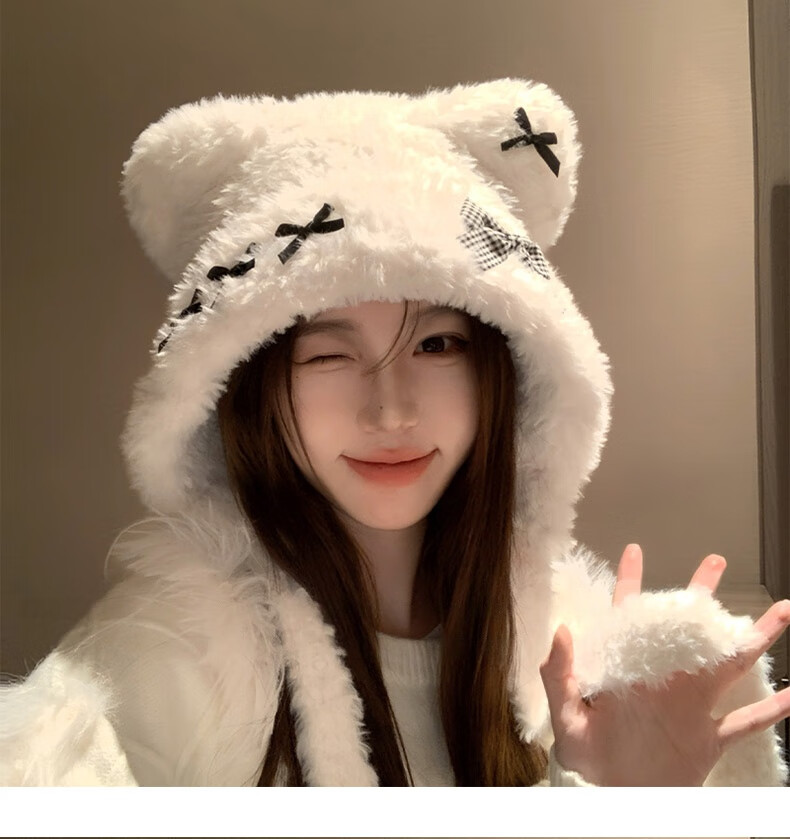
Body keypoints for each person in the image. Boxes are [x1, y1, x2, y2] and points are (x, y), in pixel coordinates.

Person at [2, 78, 788, 787]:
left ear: (504, 368)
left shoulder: (573, 652)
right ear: (248, 385)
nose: (391, 411)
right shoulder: (165, 663)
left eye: (437, 344)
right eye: (327, 353)